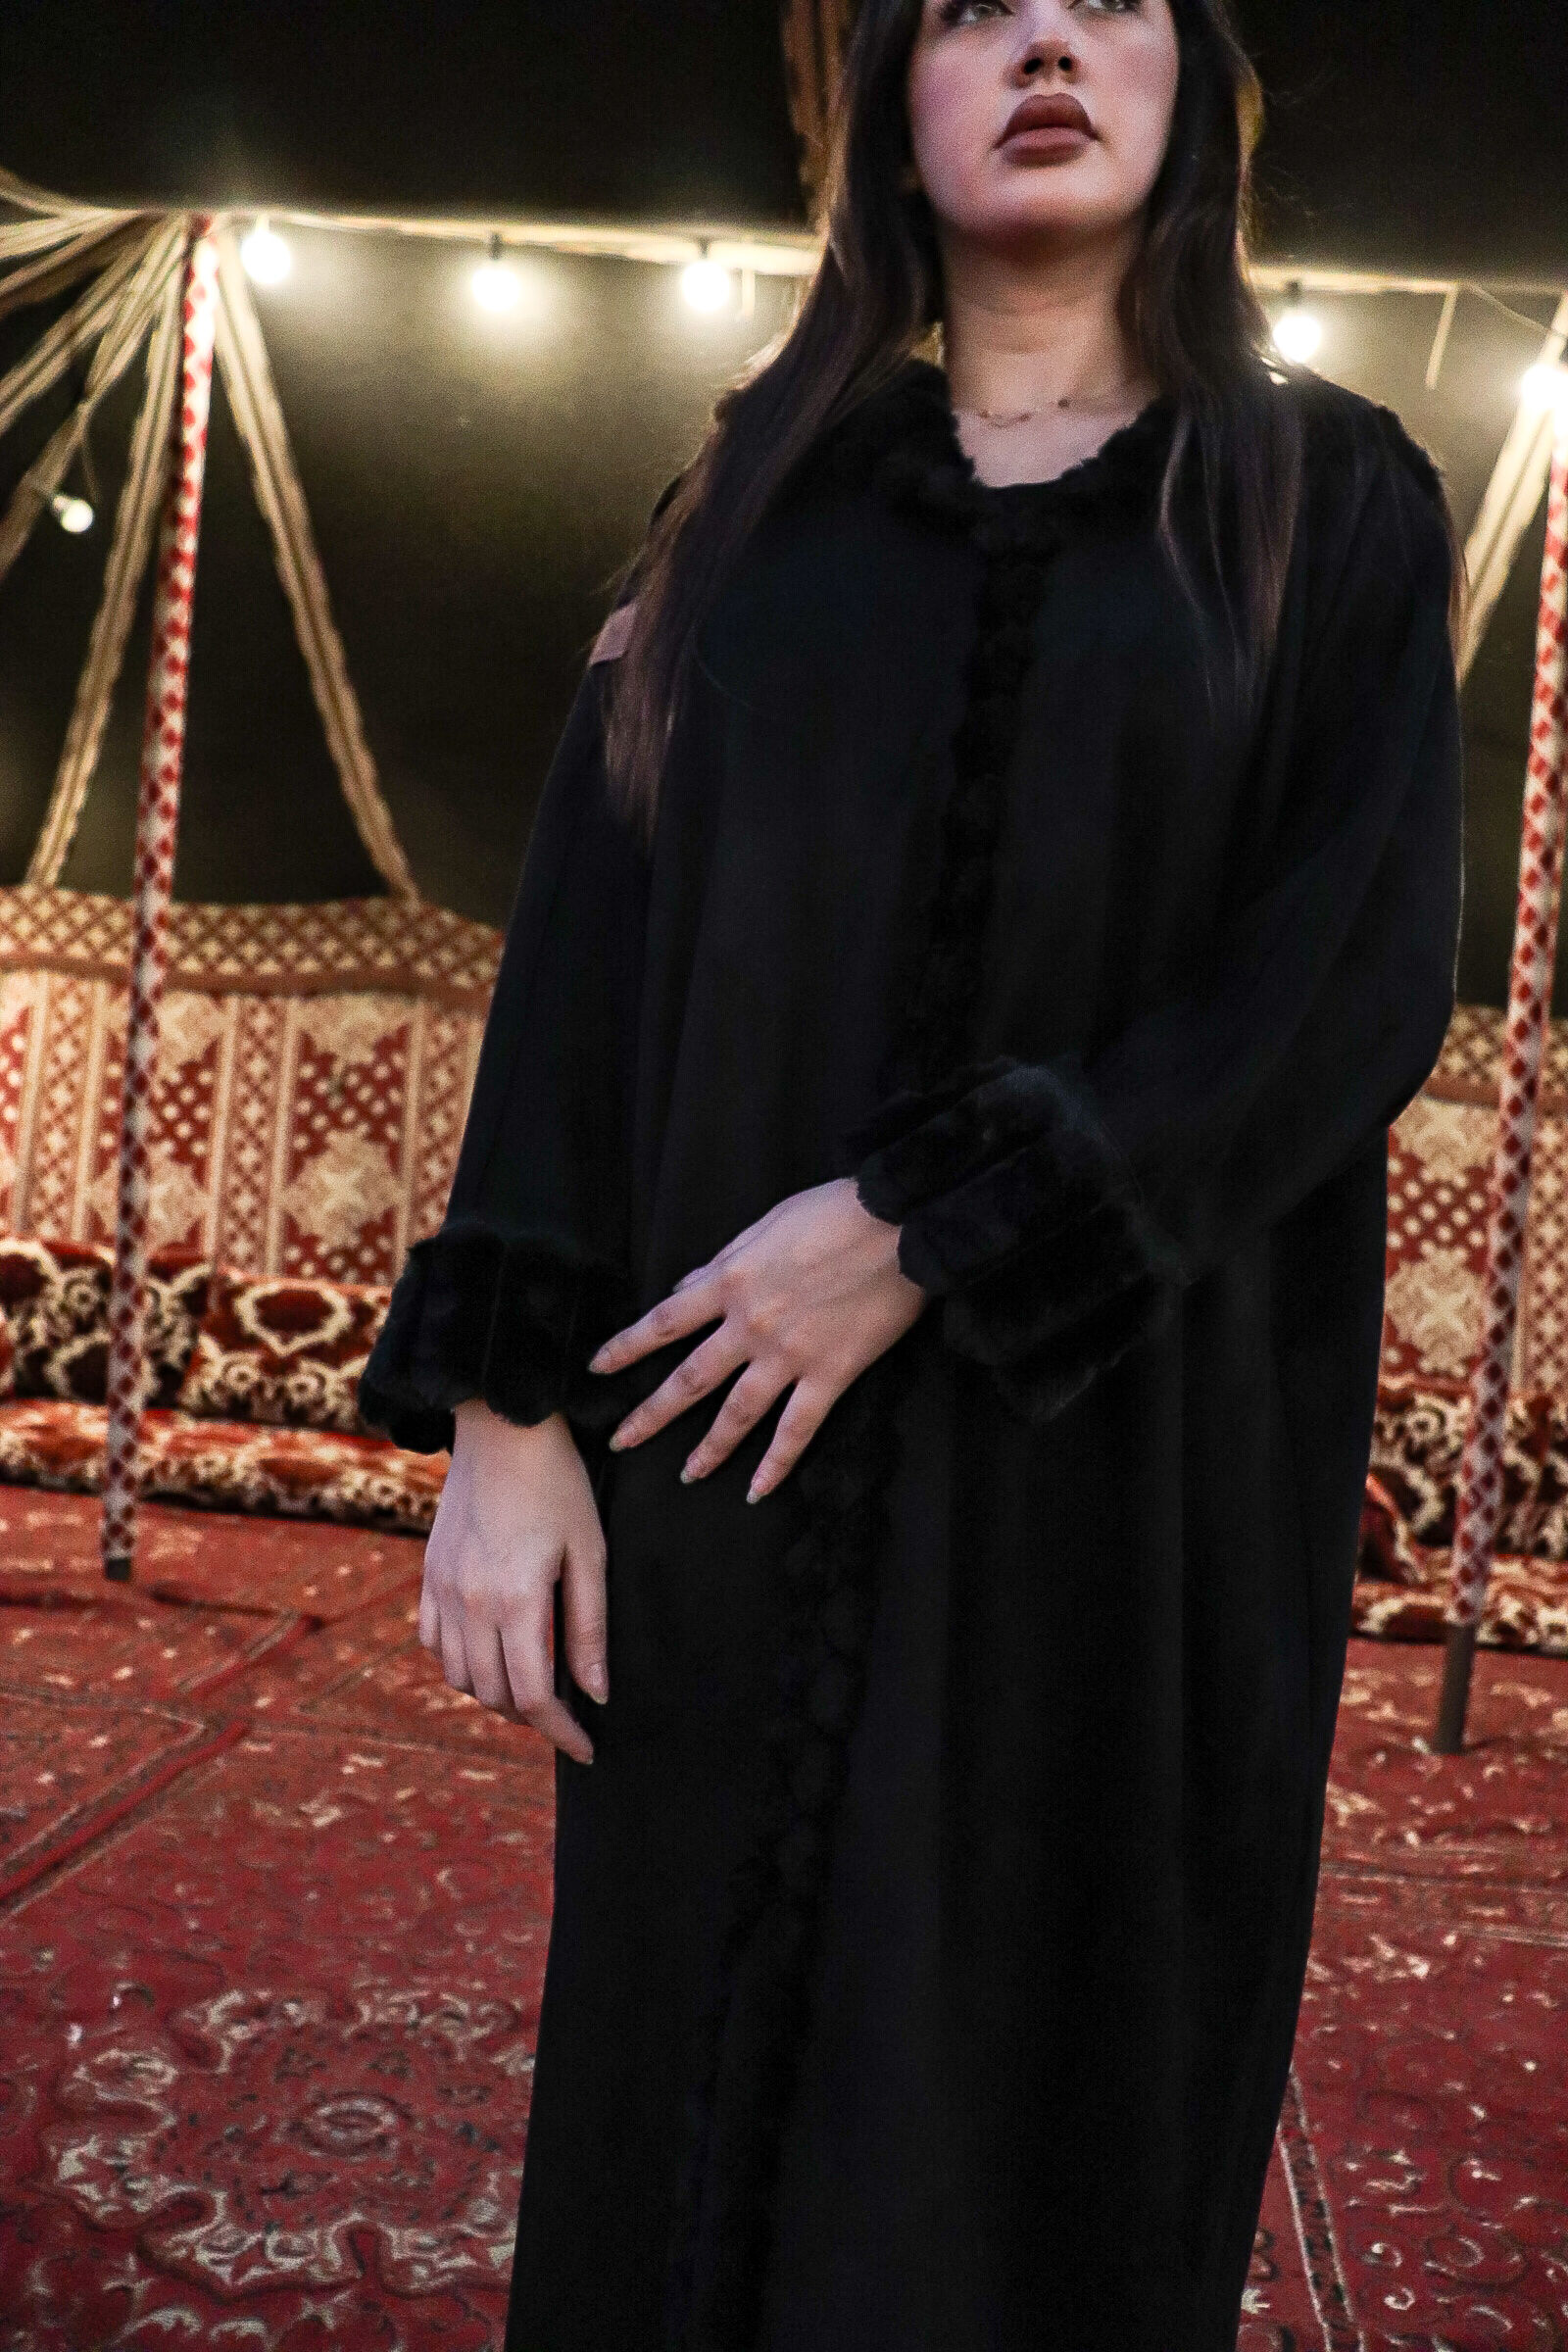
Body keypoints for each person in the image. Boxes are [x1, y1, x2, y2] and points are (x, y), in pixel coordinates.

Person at [359, 0, 1467, 2344]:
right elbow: (580, 969)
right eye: (965, 6)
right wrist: (505, 1421)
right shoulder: (753, 518)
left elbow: (1341, 984)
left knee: (1031, 2142)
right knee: (688, 2125)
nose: (1039, 35)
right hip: (722, 1468)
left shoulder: (1321, 500)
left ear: (1187, 80)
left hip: (1123, 1503)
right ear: (885, 103)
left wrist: (923, 1228)